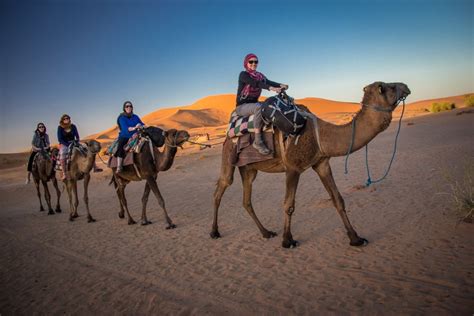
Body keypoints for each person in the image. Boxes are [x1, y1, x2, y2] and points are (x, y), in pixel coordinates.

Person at [236, 53, 289, 155]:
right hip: (242, 107)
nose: (253, 64)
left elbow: (268, 81)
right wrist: (271, 88)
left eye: (256, 62)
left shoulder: (260, 76)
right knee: (259, 108)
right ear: (246, 63)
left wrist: (281, 85)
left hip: (253, 103)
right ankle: (258, 141)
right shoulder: (243, 75)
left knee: (272, 104)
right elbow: (255, 83)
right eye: (251, 61)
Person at [115, 101, 146, 172]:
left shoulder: (135, 116)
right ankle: (119, 166)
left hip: (136, 134)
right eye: (127, 106)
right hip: (125, 135)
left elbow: (142, 124)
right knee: (121, 146)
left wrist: (142, 126)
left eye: (130, 106)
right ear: (124, 108)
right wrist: (135, 127)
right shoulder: (121, 118)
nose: (129, 107)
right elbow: (126, 129)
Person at [57, 114, 80, 180]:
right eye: (64, 119)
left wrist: (77, 141)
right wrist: (67, 144)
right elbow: (60, 139)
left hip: (73, 142)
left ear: (69, 119)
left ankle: (94, 167)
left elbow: (77, 136)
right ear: (62, 120)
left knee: (84, 149)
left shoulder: (73, 126)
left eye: (67, 118)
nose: (66, 119)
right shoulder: (60, 127)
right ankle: (64, 173)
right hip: (64, 144)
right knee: (62, 154)